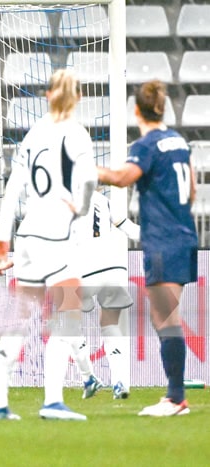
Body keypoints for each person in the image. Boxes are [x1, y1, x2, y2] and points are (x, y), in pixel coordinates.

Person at [0, 69, 97, 421]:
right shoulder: (76, 133)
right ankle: (52, 401)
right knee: (67, 317)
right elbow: (89, 180)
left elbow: (13, 188)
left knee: (19, 319)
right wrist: (79, 207)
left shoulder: (34, 134)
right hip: (60, 238)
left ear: (48, 94)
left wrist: (1, 236)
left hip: (29, 235)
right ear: (77, 97)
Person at [98, 80, 197, 417]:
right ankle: (175, 394)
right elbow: (193, 189)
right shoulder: (178, 141)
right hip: (185, 236)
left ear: (136, 110)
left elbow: (123, 178)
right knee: (166, 316)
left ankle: (175, 397)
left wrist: (87, 170)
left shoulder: (147, 145)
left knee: (165, 317)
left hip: (163, 241)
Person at [69, 189, 140, 400]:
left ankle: (89, 377)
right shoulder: (103, 199)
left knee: (67, 323)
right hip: (114, 268)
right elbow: (131, 230)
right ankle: (121, 383)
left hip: (84, 269)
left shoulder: (60, 199)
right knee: (110, 325)